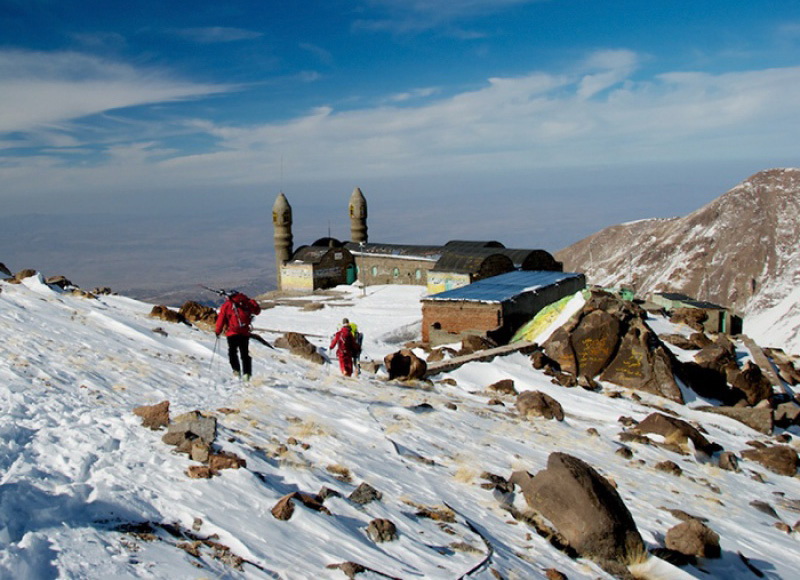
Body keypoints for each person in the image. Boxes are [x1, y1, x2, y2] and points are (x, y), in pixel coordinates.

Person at [215, 291, 261, 380]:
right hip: (244, 332)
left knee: (232, 352)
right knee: (245, 353)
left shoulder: (227, 305)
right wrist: (250, 300)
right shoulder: (246, 302)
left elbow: (221, 319)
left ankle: (236, 370)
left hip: (232, 332)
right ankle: (247, 374)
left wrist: (218, 331)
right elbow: (257, 311)